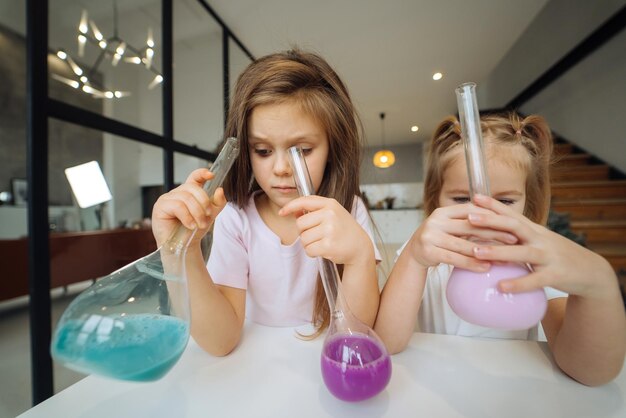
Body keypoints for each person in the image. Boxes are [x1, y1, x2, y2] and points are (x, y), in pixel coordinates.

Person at [152, 49, 380, 356]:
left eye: (302, 150)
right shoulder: (237, 218)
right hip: (255, 368)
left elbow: (358, 337)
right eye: (262, 151)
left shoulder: (349, 210)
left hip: (327, 364)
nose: (281, 168)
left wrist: (360, 257)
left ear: (332, 147)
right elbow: (220, 342)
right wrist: (182, 249)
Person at [374, 112, 626, 386]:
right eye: (461, 198)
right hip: (434, 387)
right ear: (436, 198)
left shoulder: (534, 259)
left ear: (527, 204)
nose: (483, 216)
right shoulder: (425, 250)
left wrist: (599, 285)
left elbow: (589, 371)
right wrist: (413, 258)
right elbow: (385, 343)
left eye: (505, 201)